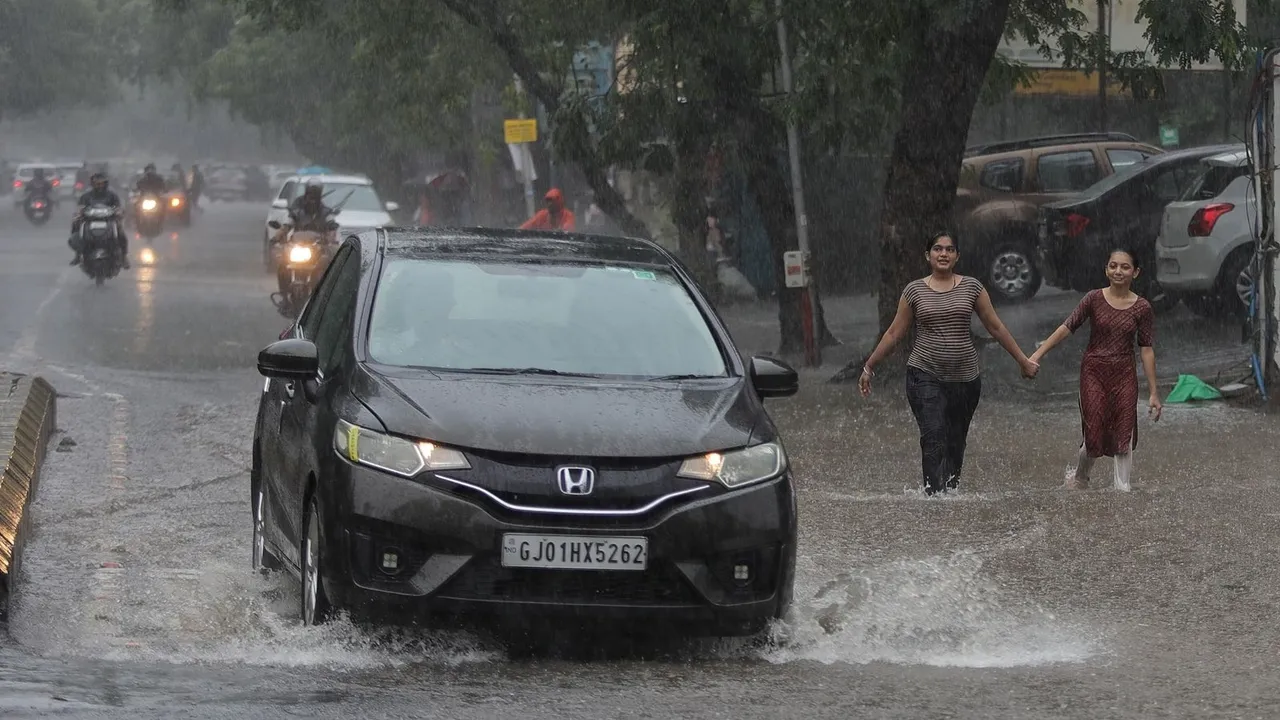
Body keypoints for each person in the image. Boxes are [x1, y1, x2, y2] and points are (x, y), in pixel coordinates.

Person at [858, 232, 1039, 495]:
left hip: (965, 380)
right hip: (924, 374)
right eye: (937, 249)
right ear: (927, 256)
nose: (943, 254)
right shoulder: (914, 291)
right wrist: (869, 366)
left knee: (956, 442)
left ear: (957, 256)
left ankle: (951, 495)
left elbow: (995, 327)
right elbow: (894, 334)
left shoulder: (972, 288)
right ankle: (934, 499)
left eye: (949, 249)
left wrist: (1022, 360)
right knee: (933, 436)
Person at [1028, 249, 1161, 492]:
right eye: (1113, 266)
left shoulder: (1142, 308)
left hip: (1124, 375)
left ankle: (1123, 490)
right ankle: (1080, 478)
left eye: (1124, 267)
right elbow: (1067, 327)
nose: (1118, 271)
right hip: (1093, 373)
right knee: (1094, 434)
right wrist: (1038, 354)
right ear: (1106, 269)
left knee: (1124, 433)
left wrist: (1153, 392)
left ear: (1136, 272)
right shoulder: (1093, 299)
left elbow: (1146, 349)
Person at [69, 172, 128, 269]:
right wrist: (79, 213)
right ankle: (78, 255)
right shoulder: (86, 196)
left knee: (120, 233)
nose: (99, 186)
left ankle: (124, 257)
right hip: (89, 219)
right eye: (97, 184)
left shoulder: (112, 195)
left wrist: (118, 212)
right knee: (76, 226)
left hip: (109, 219)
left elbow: (118, 207)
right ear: (93, 184)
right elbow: (80, 207)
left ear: (106, 184)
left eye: (101, 184)